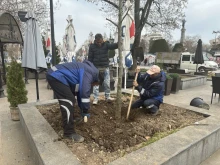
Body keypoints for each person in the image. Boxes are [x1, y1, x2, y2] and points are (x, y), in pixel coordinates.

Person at [46, 60, 99, 142]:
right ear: (96, 80)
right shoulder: (89, 74)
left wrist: (82, 111)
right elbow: (85, 93)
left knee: (71, 98)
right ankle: (68, 132)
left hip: (56, 74)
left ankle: (71, 119)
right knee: (68, 100)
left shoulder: (87, 70)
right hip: (56, 75)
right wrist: (85, 110)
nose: (93, 86)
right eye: (95, 85)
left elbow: (79, 93)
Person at [88, 33, 118, 105]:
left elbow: (112, 46)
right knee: (96, 84)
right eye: (98, 42)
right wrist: (90, 66)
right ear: (95, 40)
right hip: (96, 68)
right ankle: (96, 98)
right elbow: (90, 57)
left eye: (100, 41)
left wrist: (118, 44)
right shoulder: (92, 47)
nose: (99, 43)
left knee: (107, 83)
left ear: (102, 40)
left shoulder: (106, 44)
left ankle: (107, 96)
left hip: (105, 67)